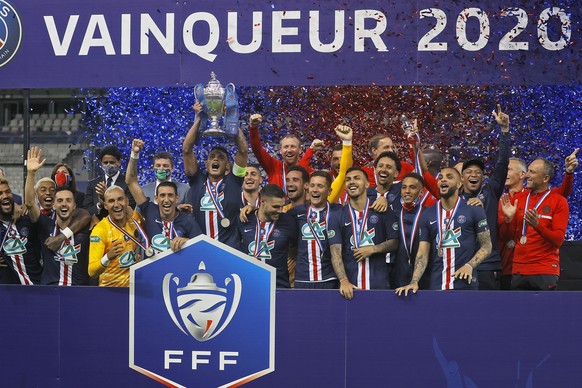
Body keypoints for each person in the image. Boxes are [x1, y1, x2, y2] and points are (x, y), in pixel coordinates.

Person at [419, 105, 510, 290]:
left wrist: (505, 131)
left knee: (482, 313)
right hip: (454, 263)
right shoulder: (452, 197)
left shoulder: (491, 192)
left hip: (485, 264)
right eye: (469, 172)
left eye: (478, 172)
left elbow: (502, 163)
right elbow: (425, 175)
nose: (474, 175)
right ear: (461, 179)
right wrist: (415, 144)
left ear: (483, 177)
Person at [395, 168, 492, 295]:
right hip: (437, 284)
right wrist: (414, 281)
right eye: (440, 178)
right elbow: (422, 253)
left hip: (466, 284)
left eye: (449, 177)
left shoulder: (474, 210)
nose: (443, 180)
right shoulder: (428, 214)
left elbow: (487, 245)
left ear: (459, 183)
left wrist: (469, 266)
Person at [497, 152, 577, 289]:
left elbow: (558, 240)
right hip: (518, 269)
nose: (527, 175)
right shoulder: (518, 199)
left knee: (545, 310)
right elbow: (505, 237)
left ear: (545, 178)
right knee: (517, 310)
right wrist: (509, 219)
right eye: (527, 171)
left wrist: (537, 225)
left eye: (532, 172)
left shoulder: (557, 200)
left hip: (544, 269)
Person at [182, 102, 248, 246]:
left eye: (221, 157)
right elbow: (187, 149)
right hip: (201, 248)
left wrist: (229, 118)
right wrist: (200, 117)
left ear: (227, 166)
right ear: (206, 164)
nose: (216, 159)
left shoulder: (235, 180)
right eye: (212, 157)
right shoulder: (197, 180)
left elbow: (243, 150)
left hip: (229, 251)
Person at [328, 167, 399, 299]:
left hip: (379, 286)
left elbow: (395, 242)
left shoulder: (382, 210)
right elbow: (335, 252)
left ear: (367, 184)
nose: (352, 182)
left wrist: (373, 249)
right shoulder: (337, 216)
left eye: (357, 178)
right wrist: (343, 281)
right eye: (348, 179)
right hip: (350, 288)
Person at [26, 147, 92, 286]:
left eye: (68, 200)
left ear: (74, 206)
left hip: (78, 292)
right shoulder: (46, 225)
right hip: (50, 290)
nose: (64, 204)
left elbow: (86, 215)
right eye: (60, 201)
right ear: (54, 205)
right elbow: (30, 203)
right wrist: (31, 173)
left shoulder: (83, 226)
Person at [126, 139, 202, 255]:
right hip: (152, 268)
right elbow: (131, 181)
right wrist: (134, 154)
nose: (166, 200)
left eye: (170, 195)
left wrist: (187, 241)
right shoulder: (150, 210)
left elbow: (200, 245)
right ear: (156, 198)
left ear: (177, 198)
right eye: (162, 196)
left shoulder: (187, 220)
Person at [288, 171, 342, 289]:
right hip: (303, 279)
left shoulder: (339, 212)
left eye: (320, 186)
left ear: (329, 191)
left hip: (330, 279)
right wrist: (253, 208)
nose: (315, 190)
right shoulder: (296, 213)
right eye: (312, 185)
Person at [236, 184, 297, 288]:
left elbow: (296, 248)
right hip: (247, 286)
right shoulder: (244, 218)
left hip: (278, 287)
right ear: (262, 201)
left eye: (282, 206)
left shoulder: (288, 221)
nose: (280, 210)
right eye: (276, 206)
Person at [88, 185, 145, 287]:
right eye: (111, 201)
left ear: (127, 201)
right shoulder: (100, 230)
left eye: (120, 199)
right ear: (105, 205)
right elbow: (92, 272)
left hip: (135, 290)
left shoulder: (135, 218)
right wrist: (107, 257)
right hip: (110, 292)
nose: (117, 204)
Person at [248, 113, 319, 189]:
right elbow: (257, 149)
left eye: (293, 146)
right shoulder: (273, 166)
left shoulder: (309, 172)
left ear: (300, 150)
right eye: (286, 147)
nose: (289, 150)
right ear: (280, 151)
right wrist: (253, 128)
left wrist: (311, 150)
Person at [392, 173, 431, 289]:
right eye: (404, 187)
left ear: (421, 192)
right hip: (397, 275)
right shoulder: (393, 214)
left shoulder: (429, 214)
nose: (407, 191)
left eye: (412, 187)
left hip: (425, 276)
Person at [0, 177, 42, 285]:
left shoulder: (26, 219)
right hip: (9, 293)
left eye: (8, 192)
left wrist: (31, 173)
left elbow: (31, 203)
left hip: (37, 288)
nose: (5, 196)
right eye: (0, 193)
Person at [83, 145, 135, 220]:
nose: (108, 165)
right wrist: (100, 205)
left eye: (112, 162)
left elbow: (130, 208)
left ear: (119, 162)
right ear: (101, 163)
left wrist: (106, 196)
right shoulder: (93, 184)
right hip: (99, 226)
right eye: (105, 162)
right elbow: (86, 211)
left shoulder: (127, 183)